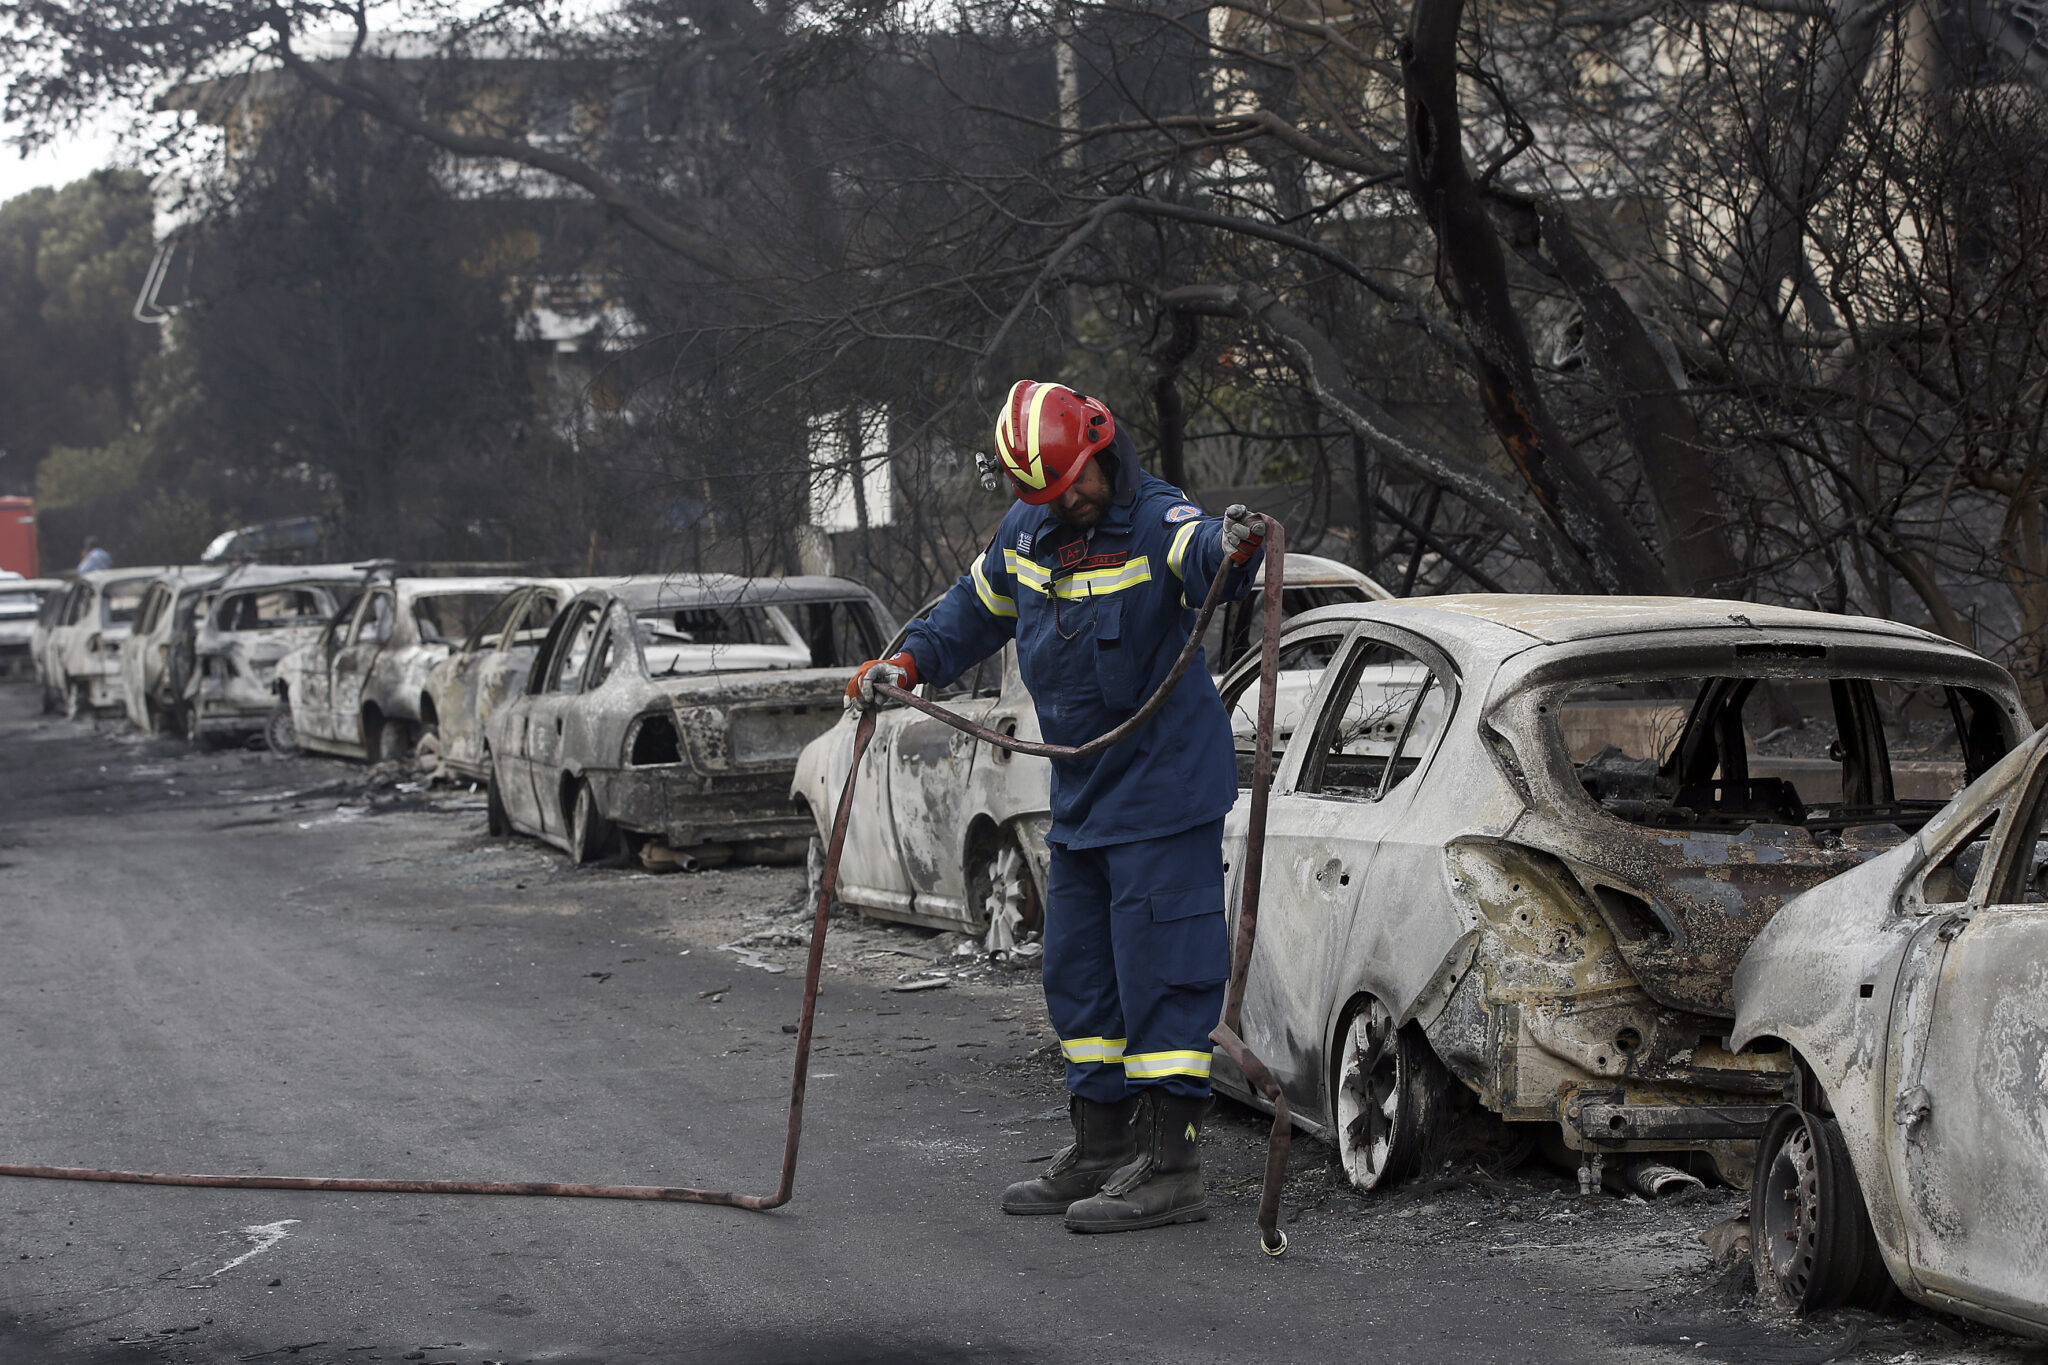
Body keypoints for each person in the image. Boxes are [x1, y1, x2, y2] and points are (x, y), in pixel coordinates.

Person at [846, 380, 1265, 1234]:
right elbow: (969, 610)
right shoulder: (1028, 533)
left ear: (1101, 447)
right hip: (1082, 799)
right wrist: (908, 664)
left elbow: (1202, 554)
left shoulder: (1156, 519)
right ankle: (1102, 1148)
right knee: (1079, 976)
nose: (1067, 503)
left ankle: (1174, 1167)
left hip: (1163, 793)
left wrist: (1233, 545)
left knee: (1163, 978)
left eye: (1075, 484)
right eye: (1045, 494)